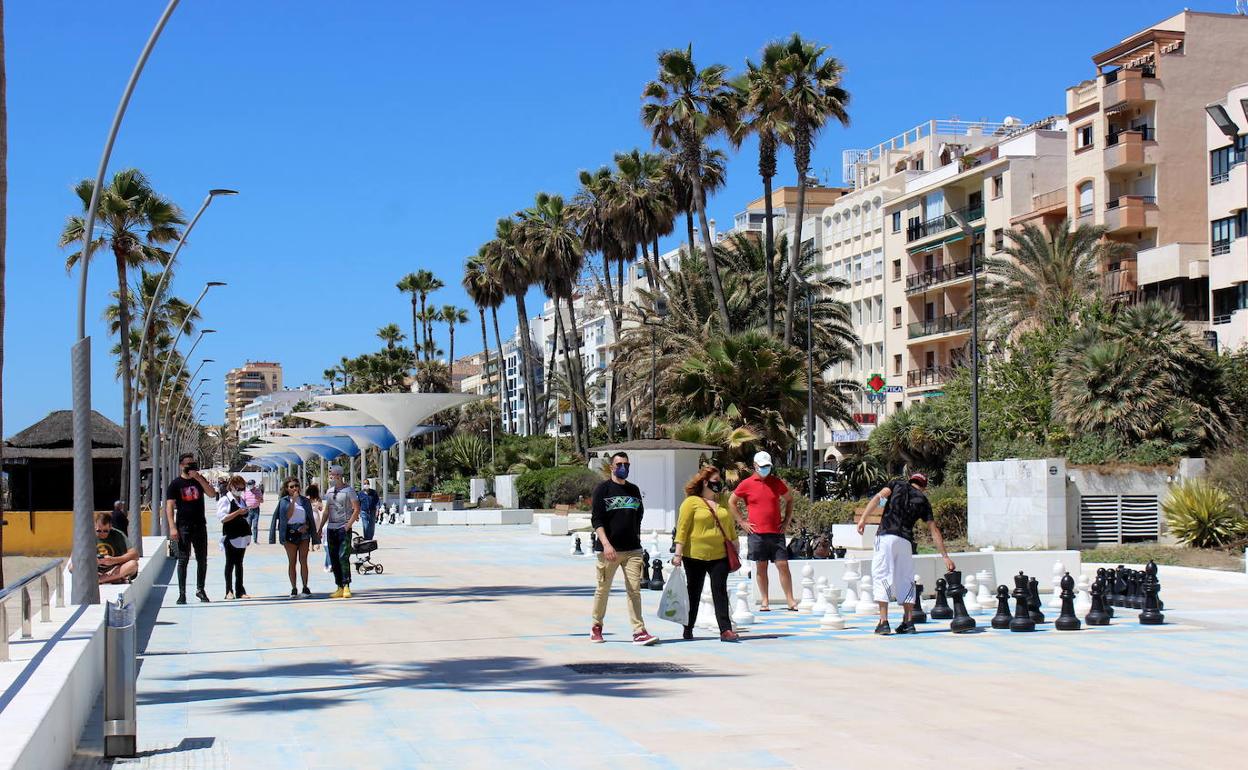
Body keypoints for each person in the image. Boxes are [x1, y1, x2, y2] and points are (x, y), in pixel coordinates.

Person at [856, 472, 956, 635]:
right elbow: (934, 530)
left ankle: (884, 622)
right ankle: (908, 622)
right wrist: (945, 556)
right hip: (905, 541)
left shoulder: (896, 484)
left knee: (882, 575)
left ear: (911, 480)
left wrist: (863, 519)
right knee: (906, 579)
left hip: (886, 536)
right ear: (924, 487)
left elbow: (877, 498)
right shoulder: (923, 500)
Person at [589, 451, 658, 646]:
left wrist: (635, 537)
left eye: (626, 465)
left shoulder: (634, 490)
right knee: (603, 590)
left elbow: (639, 515)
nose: (623, 468)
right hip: (608, 551)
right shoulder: (603, 490)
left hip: (633, 550)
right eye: (619, 464)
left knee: (634, 590)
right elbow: (597, 520)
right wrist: (606, 544)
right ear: (611, 466)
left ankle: (639, 631)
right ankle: (596, 627)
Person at [672, 465, 739, 642]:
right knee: (694, 592)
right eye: (715, 482)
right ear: (704, 482)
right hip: (694, 555)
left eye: (720, 481)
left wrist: (735, 545)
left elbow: (730, 526)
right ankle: (688, 628)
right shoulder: (691, 502)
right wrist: (678, 554)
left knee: (720, 591)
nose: (718, 485)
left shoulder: (722, 501)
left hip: (720, 554)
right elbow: (682, 529)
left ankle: (725, 630)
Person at [729, 451, 797, 612]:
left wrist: (786, 520)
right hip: (756, 533)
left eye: (768, 466)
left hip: (776, 532)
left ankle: (790, 600)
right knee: (761, 567)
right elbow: (732, 502)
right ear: (755, 466)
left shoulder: (776, 482)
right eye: (763, 466)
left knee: (783, 565)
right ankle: (765, 600)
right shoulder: (746, 484)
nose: (766, 469)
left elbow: (789, 499)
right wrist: (741, 522)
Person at [165, 452, 217, 604]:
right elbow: (169, 507)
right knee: (183, 559)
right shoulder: (175, 484)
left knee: (202, 559)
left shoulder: (199, 481)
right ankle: (182, 593)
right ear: (181, 465)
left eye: (193, 464)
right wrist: (172, 527)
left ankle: (200, 589)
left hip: (200, 524)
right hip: (183, 526)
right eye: (188, 464)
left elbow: (212, 494)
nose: (191, 467)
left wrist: (199, 478)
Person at [316, 466, 359, 599]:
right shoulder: (329, 492)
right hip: (331, 528)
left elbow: (356, 509)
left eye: (332, 475)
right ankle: (339, 586)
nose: (330, 478)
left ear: (339, 476)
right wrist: (320, 528)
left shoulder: (349, 491)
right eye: (330, 475)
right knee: (333, 558)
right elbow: (327, 511)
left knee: (343, 557)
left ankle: (346, 585)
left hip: (343, 528)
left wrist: (348, 525)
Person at [275, 477, 318, 598]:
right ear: (287, 489)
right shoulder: (284, 501)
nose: (295, 488)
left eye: (296, 486)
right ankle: (294, 588)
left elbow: (309, 517)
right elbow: (287, 517)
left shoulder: (305, 501)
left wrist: (307, 526)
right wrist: (293, 501)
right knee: (292, 561)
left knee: (303, 560)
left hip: (303, 532)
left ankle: (305, 586)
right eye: (291, 487)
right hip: (290, 533)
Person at [217, 475, 253, 600]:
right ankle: (228, 590)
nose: (240, 491)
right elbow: (223, 518)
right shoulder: (225, 500)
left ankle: (240, 590)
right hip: (230, 535)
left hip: (242, 535)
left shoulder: (241, 500)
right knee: (230, 563)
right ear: (231, 486)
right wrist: (238, 512)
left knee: (239, 564)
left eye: (242, 489)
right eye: (238, 488)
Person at [95, 512, 138, 584]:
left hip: (115, 569)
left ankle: (102, 579)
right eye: (99, 531)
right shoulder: (89, 535)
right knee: (72, 566)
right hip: (95, 570)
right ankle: (113, 579)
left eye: (105, 531)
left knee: (133, 564)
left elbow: (135, 555)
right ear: (94, 526)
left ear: (110, 526)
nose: (102, 533)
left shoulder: (118, 534)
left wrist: (113, 560)